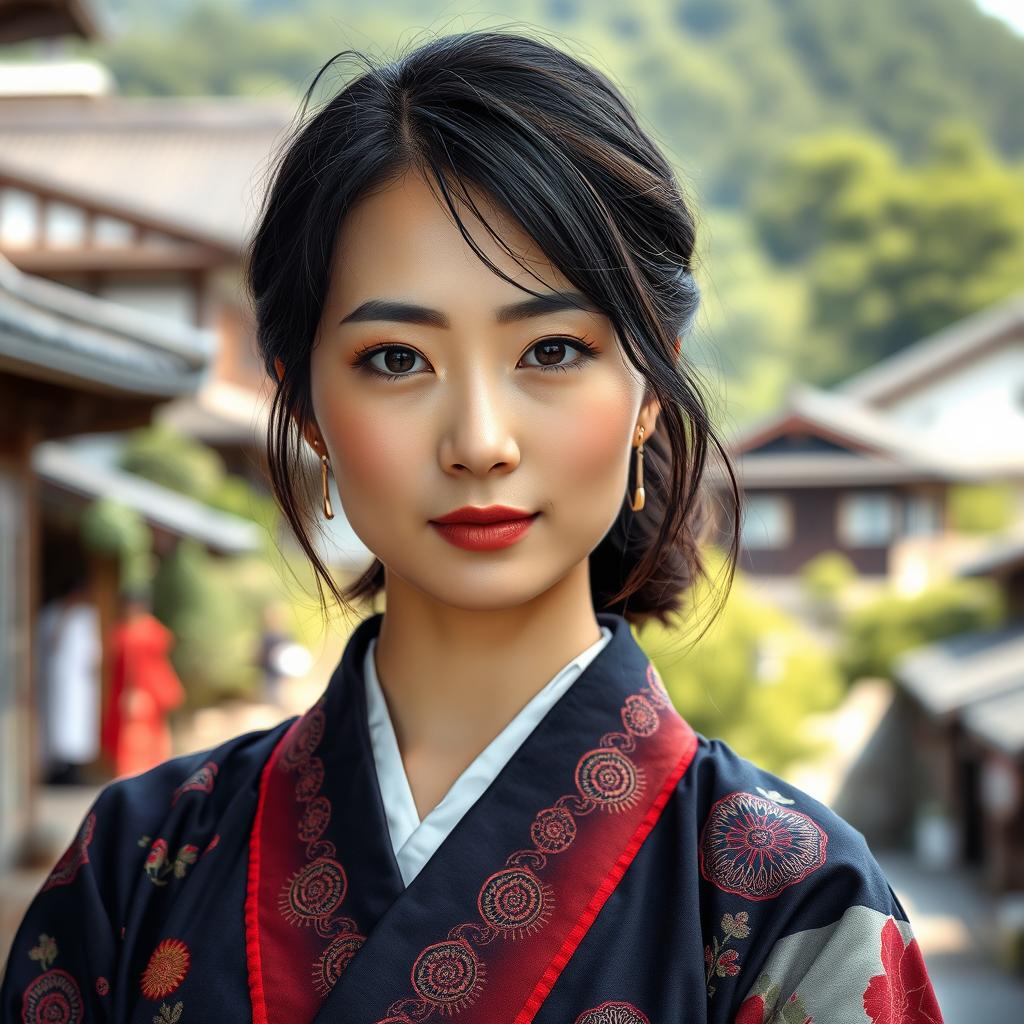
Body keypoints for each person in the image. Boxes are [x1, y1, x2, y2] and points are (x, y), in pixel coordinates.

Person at [1, 31, 944, 1024]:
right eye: (397, 359)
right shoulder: (135, 865)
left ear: (649, 387)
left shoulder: (789, 901)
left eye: (550, 348)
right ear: (307, 405)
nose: (480, 441)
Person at [101, 589, 186, 779]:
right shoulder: (144, 629)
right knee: (148, 734)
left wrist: (134, 692)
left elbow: (136, 667)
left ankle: (139, 775)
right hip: (145, 690)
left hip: (142, 691)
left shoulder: (137, 632)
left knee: (138, 737)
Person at [35, 581, 102, 785]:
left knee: (78, 725)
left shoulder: (86, 616)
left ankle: (74, 768)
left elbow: (92, 650)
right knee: (57, 725)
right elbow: (48, 643)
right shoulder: (51, 614)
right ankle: (58, 768)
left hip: (80, 683)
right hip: (58, 680)